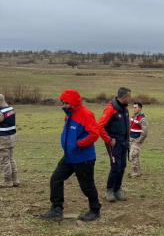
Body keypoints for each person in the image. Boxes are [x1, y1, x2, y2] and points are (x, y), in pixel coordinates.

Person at [40, 89, 101, 221]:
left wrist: (79, 144)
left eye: (66, 103)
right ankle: (56, 209)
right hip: (69, 156)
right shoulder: (68, 114)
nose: (64, 105)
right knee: (55, 179)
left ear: (73, 102)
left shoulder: (86, 114)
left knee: (87, 186)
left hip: (83, 158)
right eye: (63, 102)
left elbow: (94, 134)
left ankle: (95, 210)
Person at [98, 87, 131, 202]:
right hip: (114, 143)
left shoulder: (125, 108)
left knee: (122, 166)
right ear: (124, 97)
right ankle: (109, 190)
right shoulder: (110, 109)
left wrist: (128, 137)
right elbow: (99, 126)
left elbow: (126, 124)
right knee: (116, 166)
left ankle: (117, 189)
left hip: (124, 142)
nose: (130, 99)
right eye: (129, 96)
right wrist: (108, 140)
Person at [0, 94, 20, 188]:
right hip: (12, 137)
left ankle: (7, 181)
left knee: (4, 160)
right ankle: (15, 180)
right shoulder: (10, 109)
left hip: (3, 138)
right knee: (11, 158)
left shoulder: (1, 113)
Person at [128, 102, 148, 178]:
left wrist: (139, 140)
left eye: (135, 107)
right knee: (135, 155)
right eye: (133, 107)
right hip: (131, 139)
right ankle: (137, 171)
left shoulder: (142, 118)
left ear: (140, 108)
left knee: (132, 155)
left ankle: (135, 172)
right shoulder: (133, 116)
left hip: (136, 140)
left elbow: (145, 131)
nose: (134, 109)